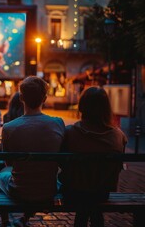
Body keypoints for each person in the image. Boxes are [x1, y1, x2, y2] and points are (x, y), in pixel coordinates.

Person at [0, 76, 65, 226]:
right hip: (48, 190)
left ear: (21, 97)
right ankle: (23, 218)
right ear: (45, 98)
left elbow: (8, 162)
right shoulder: (58, 123)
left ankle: (5, 221)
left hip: (19, 191)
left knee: (0, 176)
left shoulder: (8, 128)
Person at [59, 87, 127, 227]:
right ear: (106, 108)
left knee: (84, 203)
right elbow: (119, 166)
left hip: (73, 191)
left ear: (82, 106)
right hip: (102, 192)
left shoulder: (70, 133)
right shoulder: (118, 136)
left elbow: (61, 162)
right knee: (93, 203)